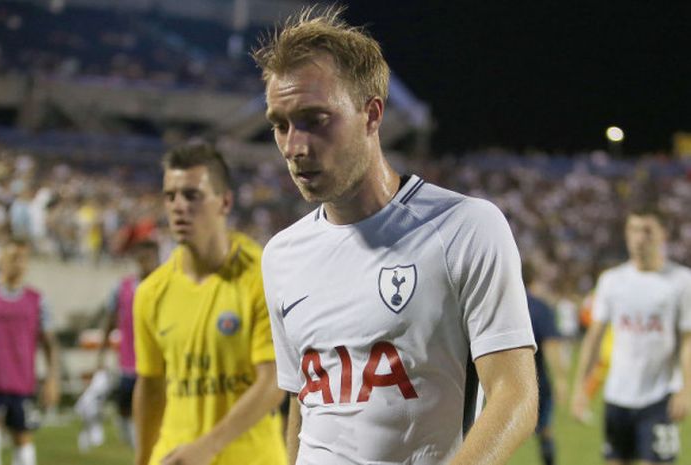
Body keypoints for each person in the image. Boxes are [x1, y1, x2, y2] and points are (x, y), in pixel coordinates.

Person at [253, 6, 538, 465]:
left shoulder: (465, 229)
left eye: (315, 119)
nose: (294, 147)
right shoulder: (281, 255)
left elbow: (514, 396)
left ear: (371, 115)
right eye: (280, 124)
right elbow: (303, 400)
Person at [132, 142, 286, 465]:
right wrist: (143, 459)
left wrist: (208, 447)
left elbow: (273, 382)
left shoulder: (260, 276)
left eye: (192, 195)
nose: (178, 206)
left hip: (249, 458)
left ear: (225, 202)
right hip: (174, 456)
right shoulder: (151, 292)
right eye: (170, 196)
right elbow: (151, 388)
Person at [571, 207, 691, 464]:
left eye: (647, 231)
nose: (639, 238)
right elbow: (593, 339)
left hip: (659, 397)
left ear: (663, 235)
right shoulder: (611, 281)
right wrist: (581, 388)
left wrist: (686, 390)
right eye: (634, 230)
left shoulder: (681, 281)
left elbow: (687, 342)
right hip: (617, 398)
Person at [0, 237, 60, 465]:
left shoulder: (37, 300)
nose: (18, 263)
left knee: (22, 438)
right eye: (13, 257)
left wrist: (51, 380)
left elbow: (49, 344)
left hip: (20, 382)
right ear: (1, 260)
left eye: (22, 258)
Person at [96, 240, 160, 447]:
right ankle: (133, 440)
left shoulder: (166, 285)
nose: (145, 262)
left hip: (160, 361)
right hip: (129, 360)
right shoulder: (122, 287)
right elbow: (109, 321)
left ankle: (148, 442)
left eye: (149, 257)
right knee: (124, 404)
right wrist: (101, 354)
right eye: (141, 257)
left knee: (156, 405)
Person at [523, 264, 568, 465]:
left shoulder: (499, 304)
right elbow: (551, 346)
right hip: (536, 382)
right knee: (545, 431)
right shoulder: (540, 308)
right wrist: (560, 379)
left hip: (496, 381)